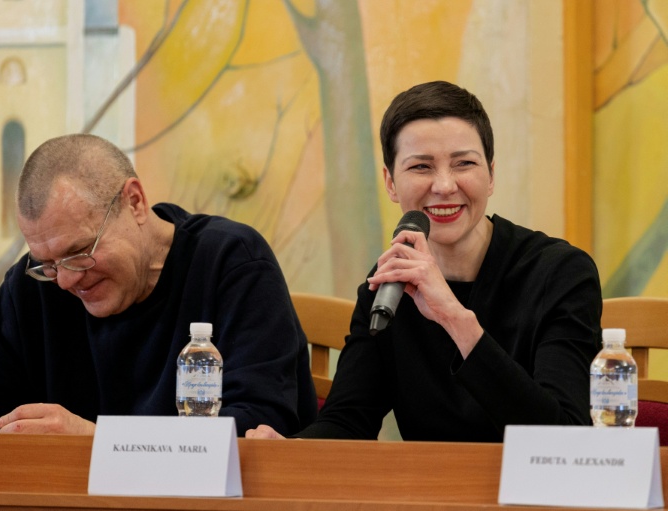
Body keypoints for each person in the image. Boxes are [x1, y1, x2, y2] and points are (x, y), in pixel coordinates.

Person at [246, 80, 602, 442]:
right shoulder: (390, 283)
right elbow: (349, 421)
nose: (445, 185)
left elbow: (566, 439)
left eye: (464, 163)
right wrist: (292, 450)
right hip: (428, 495)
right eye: (421, 167)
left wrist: (453, 316)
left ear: (491, 175)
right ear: (390, 183)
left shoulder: (560, 273)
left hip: (533, 495)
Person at [0, 134, 317, 435]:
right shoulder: (34, 285)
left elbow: (260, 425)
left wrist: (96, 441)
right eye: (48, 263)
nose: (66, 280)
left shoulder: (231, 263)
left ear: (135, 202)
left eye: (79, 251)